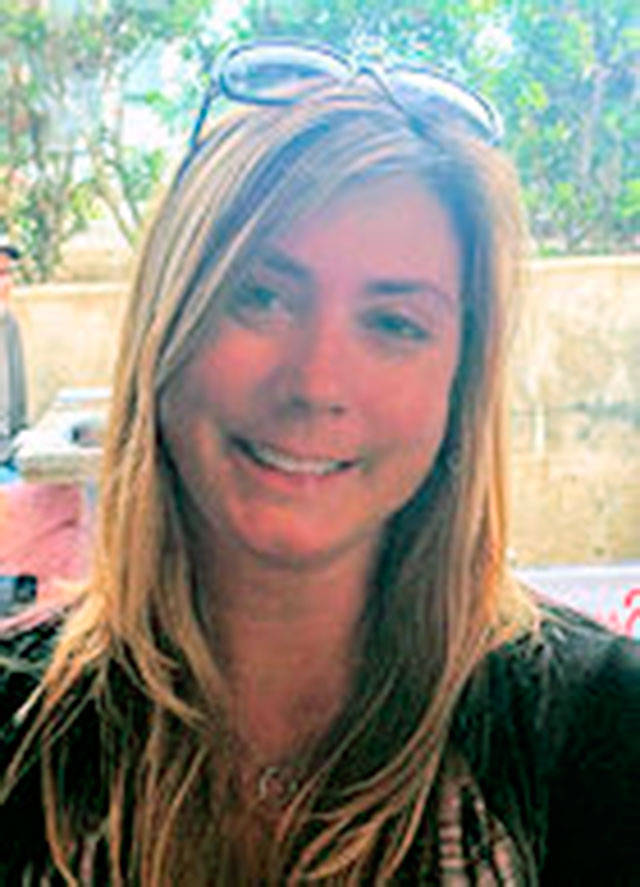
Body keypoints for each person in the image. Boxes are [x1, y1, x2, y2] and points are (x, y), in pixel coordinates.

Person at [0, 40, 638, 885]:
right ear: (166, 330)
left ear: (460, 380)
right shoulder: (16, 729)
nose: (316, 383)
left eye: (395, 323)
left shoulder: (603, 736)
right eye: (260, 297)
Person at [0, 240, 27, 465]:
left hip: (9, 453)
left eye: (8, 273)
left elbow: (17, 399)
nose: (7, 283)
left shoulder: (8, 323)